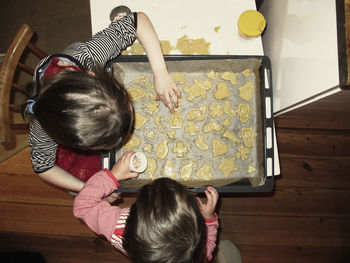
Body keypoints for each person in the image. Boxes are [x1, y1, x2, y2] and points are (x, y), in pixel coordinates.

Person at [22, 7, 181, 194]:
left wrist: (160, 72)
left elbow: (137, 21)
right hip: (76, 165)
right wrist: (91, 189)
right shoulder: (43, 128)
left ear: (93, 74)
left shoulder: (87, 56)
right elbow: (44, 167)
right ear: (84, 146)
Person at [73, 151, 219, 263]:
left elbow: (83, 206)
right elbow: (208, 249)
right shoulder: (195, 251)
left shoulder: (117, 227)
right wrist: (208, 219)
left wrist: (113, 176)